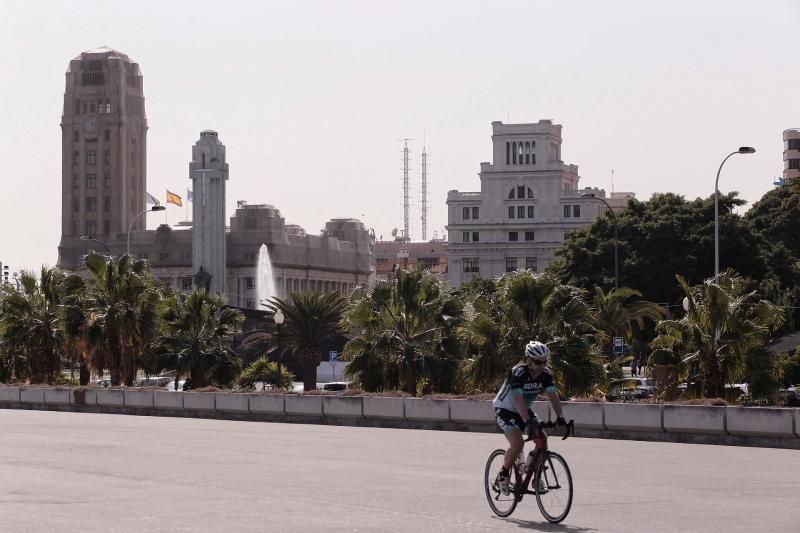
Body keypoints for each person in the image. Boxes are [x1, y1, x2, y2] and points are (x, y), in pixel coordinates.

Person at [493, 340, 566, 496]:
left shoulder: (545, 374)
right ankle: (503, 474)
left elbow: (553, 395)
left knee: (542, 440)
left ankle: (534, 473)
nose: (541, 366)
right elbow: (517, 400)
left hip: (523, 410)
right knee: (517, 443)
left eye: (544, 362)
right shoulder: (518, 373)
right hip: (505, 409)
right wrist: (527, 421)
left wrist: (560, 417)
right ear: (528, 360)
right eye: (538, 362)